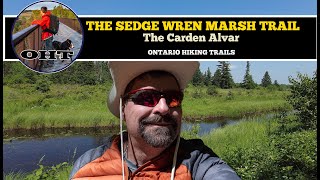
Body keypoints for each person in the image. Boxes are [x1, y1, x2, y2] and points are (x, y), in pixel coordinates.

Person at [69, 61, 241, 180]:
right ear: (123, 109)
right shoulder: (88, 165)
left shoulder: (198, 162)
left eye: (173, 98)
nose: (164, 108)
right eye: (146, 98)